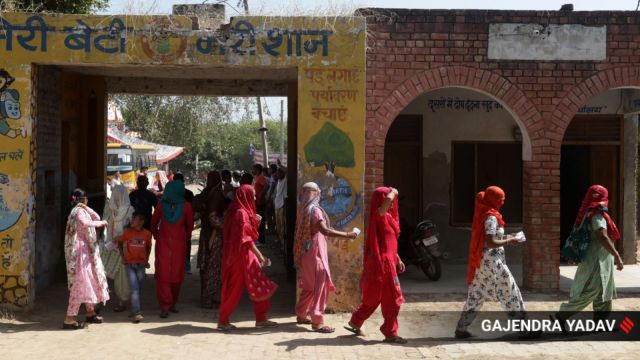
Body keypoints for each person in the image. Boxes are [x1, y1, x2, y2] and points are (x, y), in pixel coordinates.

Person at [454, 186, 529, 339]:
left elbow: (492, 238)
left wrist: (509, 236)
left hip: (483, 262)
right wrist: (511, 240)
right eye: (500, 200)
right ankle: (525, 329)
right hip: (493, 262)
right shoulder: (491, 217)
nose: (502, 203)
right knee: (511, 292)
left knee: (476, 294)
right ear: (493, 200)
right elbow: (491, 242)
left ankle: (461, 328)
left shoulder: (485, 213)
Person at [554, 185, 624, 329]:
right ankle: (562, 315)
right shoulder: (597, 215)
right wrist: (617, 255)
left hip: (601, 260)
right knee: (592, 291)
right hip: (596, 260)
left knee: (604, 291)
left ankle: (601, 322)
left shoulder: (589, 212)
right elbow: (602, 237)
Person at [345, 187, 407, 343]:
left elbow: (387, 241)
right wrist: (393, 192)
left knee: (374, 296)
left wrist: (397, 257)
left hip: (387, 260)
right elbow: (385, 205)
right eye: (388, 199)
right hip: (383, 264)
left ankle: (356, 321)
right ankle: (390, 332)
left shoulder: (388, 217)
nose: (392, 202)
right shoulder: (379, 215)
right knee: (392, 300)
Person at [294, 182, 357, 333]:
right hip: (315, 255)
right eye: (318, 192)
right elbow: (325, 230)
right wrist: (348, 235)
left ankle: (302, 314)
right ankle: (317, 321)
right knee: (320, 287)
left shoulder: (302, 210)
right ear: (316, 194)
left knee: (309, 287)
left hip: (305, 254)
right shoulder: (315, 211)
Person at [217, 185, 278, 330]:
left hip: (241, 255)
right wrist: (261, 256)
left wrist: (255, 223)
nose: (256, 198)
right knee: (236, 288)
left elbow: (245, 234)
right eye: (254, 195)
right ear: (246, 196)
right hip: (241, 257)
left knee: (258, 285)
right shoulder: (241, 213)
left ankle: (261, 318)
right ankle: (223, 320)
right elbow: (245, 240)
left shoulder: (239, 211)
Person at [62, 188, 109, 330]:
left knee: (89, 280)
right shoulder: (78, 212)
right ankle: (69, 318)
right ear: (83, 199)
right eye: (86, 199)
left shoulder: (80, 210)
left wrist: (86, 207)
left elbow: (95, 216)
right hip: (80, 253)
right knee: (80, 283)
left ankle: (90, 312)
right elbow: (87, 223)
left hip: (85, 251)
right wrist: (101, 224)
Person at [151, 181, 194, 318]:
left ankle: (166, 305)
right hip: (179, 245)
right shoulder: (186, 206)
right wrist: (184, 238)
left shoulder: (161, 205)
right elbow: (190, 226)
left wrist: (158, 236)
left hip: (164, 244)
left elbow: (153, 223)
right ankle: (171, 304)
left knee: (165, 275)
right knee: (175, 274)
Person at [194, 171, 227, 308]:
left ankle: (207, 296)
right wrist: (227, 226)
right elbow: (213, 218)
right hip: (214, 236)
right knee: (213, 267)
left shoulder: (206, 193)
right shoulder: (216, 195)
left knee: (205, 265)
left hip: (205, 234)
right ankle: (207, 298)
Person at [101, 184, 133, 312]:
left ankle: (122, 300)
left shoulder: (130, 210)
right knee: (104, 271)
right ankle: (100, 298)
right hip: (109, 245)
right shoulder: (109, 208)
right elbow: (104, 224)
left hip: (123, 247)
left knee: (122, 275)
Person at [116, 212, 152, 323]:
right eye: (132, 218)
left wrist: (146, 260)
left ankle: (134, 309)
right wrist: (123, 257)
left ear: (141, 222)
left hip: (141, 265)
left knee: (138, 289)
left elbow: (148, 247)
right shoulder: (127, 233)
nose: (132, 220)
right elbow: (119, 243)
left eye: (134, 219)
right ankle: (137, 313)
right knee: (135, 289)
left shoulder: (147, 234)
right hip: (130, 264)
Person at [173, 172, 194, 274]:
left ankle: (184, 266)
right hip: (180, 225)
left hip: (178, 225)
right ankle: (184, 266)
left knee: (182, 245)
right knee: (183, 245)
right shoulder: (188, 194)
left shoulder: (188, 194)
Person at [252, 164, 268, 244]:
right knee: (257, 220)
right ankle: (259, 238)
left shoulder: (261, 177)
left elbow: (266, 186)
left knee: (260, 221)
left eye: (254, 169)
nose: (252, 171)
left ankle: (261, 240)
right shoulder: (257, 178)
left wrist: (261, 194)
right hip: (257, 202)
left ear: (258, 170)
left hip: (260, 203)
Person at [274, 166, 288, 249]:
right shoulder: (278, 181)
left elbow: (287, 171)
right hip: (277, 206)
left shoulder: (285, 181)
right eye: (277, 173)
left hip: (282, 206)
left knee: (283, 227)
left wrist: (280, 165)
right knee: (278, 226)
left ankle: (284, 245)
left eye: (280, 172)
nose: (278, 174)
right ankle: (281, 243)